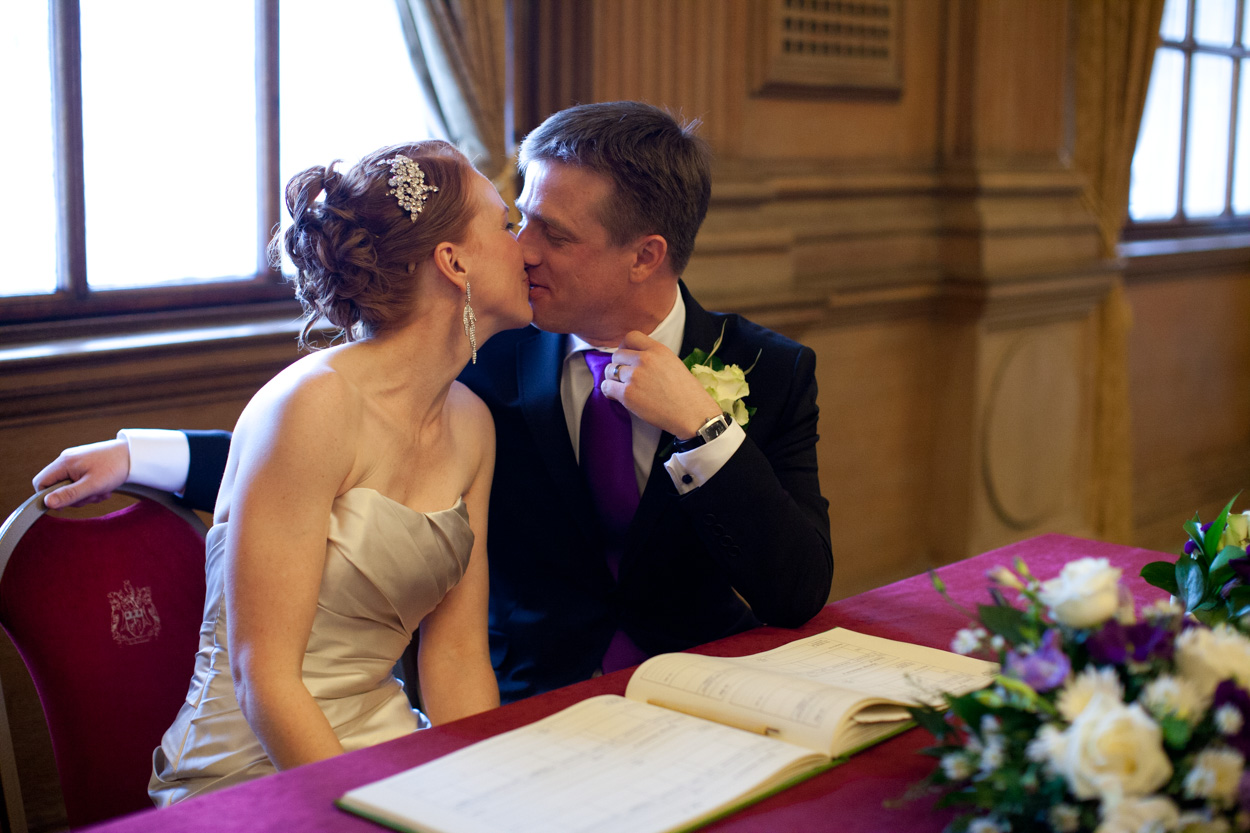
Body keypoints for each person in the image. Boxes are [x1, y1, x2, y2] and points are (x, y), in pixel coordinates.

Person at [35, 102, 834, 705]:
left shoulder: (770, 370)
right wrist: (145, 454)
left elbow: (797, 591)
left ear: (644, 256)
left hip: (700, 702)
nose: (522, 249)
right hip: (527, 704)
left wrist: (704, 426)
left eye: (552, 233)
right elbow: (331, 459)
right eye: (517, 219)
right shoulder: (492, 354)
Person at [136, 140, 531, 805]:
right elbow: (264, 675)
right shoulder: (312, 407)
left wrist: (482, 795)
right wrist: (366, 811)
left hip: (390, 747)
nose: (527, 246)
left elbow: (457, 657)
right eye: (507, 223)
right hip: (253, 767)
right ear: (453, 260)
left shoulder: (473, 425)